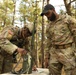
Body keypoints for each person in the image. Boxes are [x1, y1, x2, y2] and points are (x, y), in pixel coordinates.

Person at [40, 4, 76, 75]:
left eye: (48, 13)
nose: (47, 16)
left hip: (68, 51)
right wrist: (47, 57)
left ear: (53, 10)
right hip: (54, 52)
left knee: (71, 72)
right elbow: (48, 41)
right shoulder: (49, 26)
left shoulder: (68, 19)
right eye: (45, 15)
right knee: (52, 71)